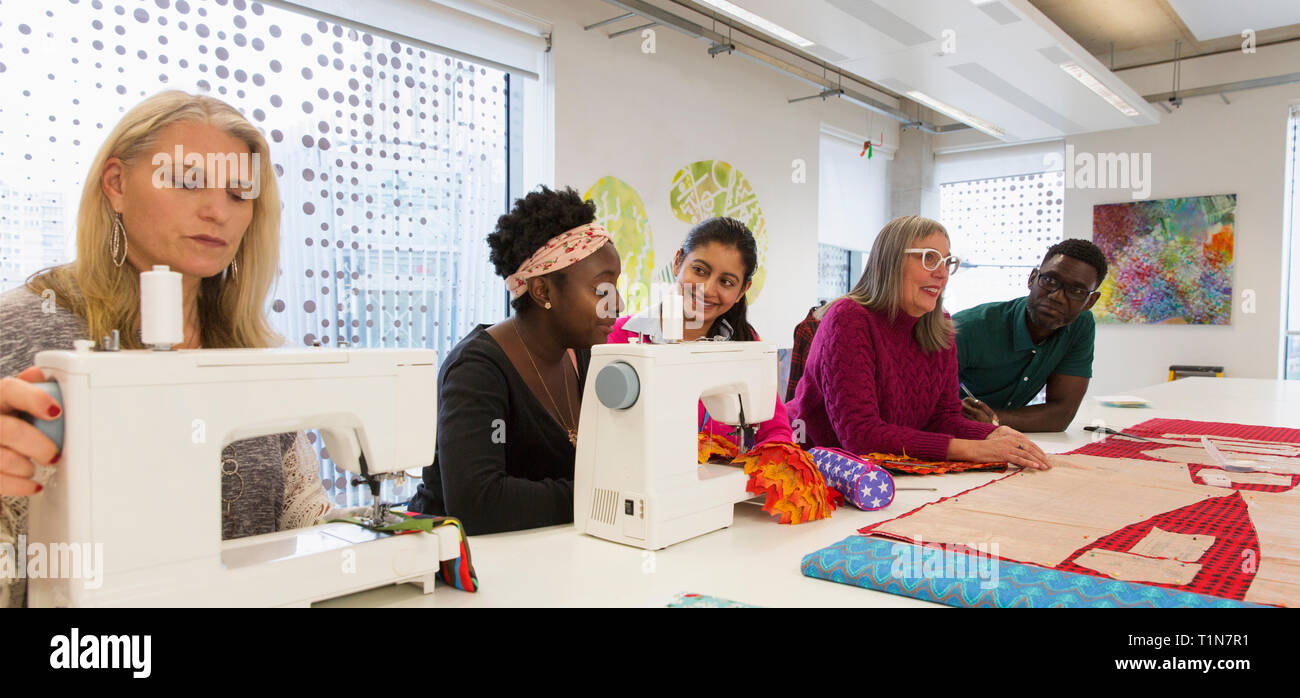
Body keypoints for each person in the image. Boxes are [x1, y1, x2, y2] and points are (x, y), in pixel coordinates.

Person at [0, 91, 335, 608]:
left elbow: (301, 512)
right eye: (185, 180)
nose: (216, 211)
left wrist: (398, 540)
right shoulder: (21, 330)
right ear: (115, 184)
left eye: (238, 193)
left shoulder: (248, 351)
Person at [407, 186, 622, 535]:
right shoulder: (477, 371)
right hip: (459, 566)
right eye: (602, 290)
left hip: (542, 555)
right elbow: (480, 503)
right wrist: (602, 494)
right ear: (542, 291)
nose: (618, 304)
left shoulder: (585, 356)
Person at [786, 215, 1050, 470]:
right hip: (810, 467)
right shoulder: (849, 318)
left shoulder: (940, 326)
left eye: (947, 262)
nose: (942, 273)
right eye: (929, 258)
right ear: (890, 262)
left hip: (885, 470)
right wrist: (973, 449)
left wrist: (993, 434)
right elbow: (860, 437)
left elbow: (943, 419)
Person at [606, 217, 792, 448]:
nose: (708, 289)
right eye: (699, 270)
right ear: (677, 262)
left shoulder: (747, 345)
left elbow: (776, 433)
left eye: (726, 282)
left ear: (743, 290)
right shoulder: (619, 338)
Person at [955, 239, 1106, 432]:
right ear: (1032, 278)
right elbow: (917, 406)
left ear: (1090, 301)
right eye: (1050, 280)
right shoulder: (966, 328)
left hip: (999, 438)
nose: (1056, 296)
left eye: (1075, 291)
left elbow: (1061, 415)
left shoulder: (1080, 325)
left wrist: (992, 419)